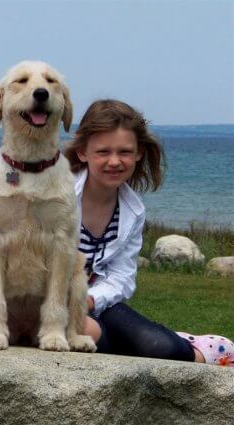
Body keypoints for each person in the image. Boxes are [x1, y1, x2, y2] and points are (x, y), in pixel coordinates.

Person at [63, 99, 233, 367]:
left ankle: (204, 350)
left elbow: (122, 278)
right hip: (54, 301)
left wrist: (91, 300)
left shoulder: (133, 210)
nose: (114, 161)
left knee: (161, 347)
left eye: (125, 152)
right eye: (103, 152)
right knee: (84, 333)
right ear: (82, 152)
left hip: (98, 301)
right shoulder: (57, 196)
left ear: (139, 152)